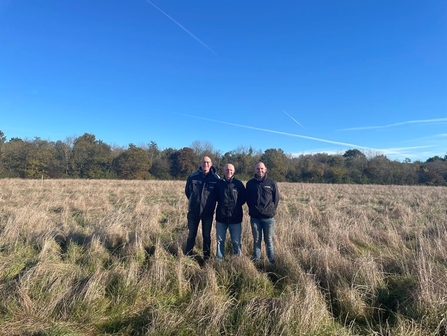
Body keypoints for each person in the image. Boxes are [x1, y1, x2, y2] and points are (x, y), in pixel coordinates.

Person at [184, 156, 220, 260]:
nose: (206, 164)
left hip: (208, 212)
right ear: (200, 164)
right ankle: (188, 255)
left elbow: (218, 195)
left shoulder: (216, 178)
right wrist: (194, 202)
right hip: (193, 212)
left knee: (207, 236)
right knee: (191, 235)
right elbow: (188, 192)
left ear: (211, 164)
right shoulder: (192, 176)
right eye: (204, 162)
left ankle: (206, 257)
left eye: (208, 162)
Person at [246, 161, 279, 263]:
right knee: (256, 240)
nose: (260, 170)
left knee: (268, 240)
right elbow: (248, 199)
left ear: (265, 169)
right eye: (258, 168)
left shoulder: (271, 183)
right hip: (255, 218)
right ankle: (257, 260)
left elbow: (276, 199)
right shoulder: (250, 183)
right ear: (254, 170)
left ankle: (271, 261)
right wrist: (252, 209)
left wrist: (272, 210)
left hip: (268, 218)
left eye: (262, 168)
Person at [215, 163, 246, 260]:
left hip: (235, 217)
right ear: (223, 171)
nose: (229, 171)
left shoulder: (238, 184)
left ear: (234, 171)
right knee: (220, 241)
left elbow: (243, 199)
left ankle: (237, 260)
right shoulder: (219, 184)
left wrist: (235, 207)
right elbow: (215, 198)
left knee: (236, 241)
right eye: (227, 170)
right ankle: (219, 260)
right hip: (221, 217)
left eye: (231, 170)